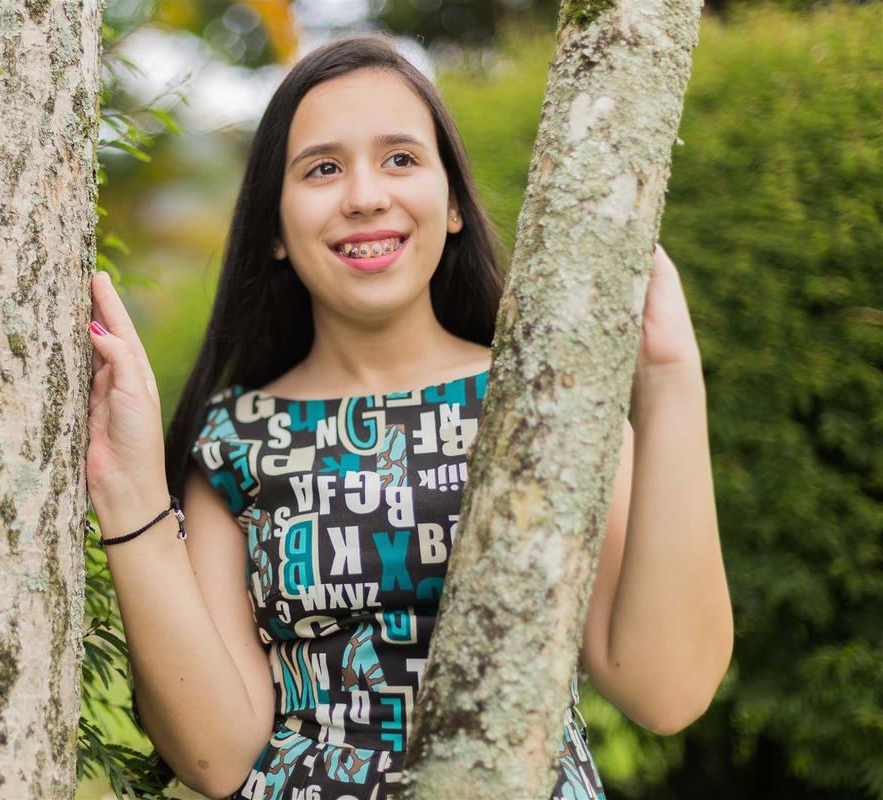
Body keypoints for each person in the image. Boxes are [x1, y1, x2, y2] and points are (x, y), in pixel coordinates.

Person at [85, 33, 733, 800]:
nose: (365, 194)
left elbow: (667, 690)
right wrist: (128, 496)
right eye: (322, 168)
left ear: (453, 203)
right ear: (274, 229)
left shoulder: (542, 398)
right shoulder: (235, 441)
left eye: (400, 159)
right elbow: (218, 755)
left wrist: (668, 380)